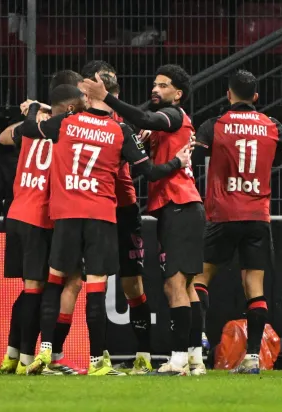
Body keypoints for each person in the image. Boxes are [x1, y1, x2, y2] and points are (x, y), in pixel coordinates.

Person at [20, 74, 192, 376]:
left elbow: (28, 129)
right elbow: (150, 173)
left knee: (57, 280)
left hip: (65, 214)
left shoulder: (66, 124)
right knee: (96, 288)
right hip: (101, 215)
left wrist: (34, 107)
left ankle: (46, 352)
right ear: (107, 97)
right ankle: (98, 361)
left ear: (86, 98)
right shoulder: (119, 130)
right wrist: (178, 162)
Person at [82, 64, 206, 376]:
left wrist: (107, 99)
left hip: (181, 204)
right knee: (184, 287)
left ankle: (178, 359)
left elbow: (146, 119)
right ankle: (195, 358)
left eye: (163, 86)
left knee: (175, 284)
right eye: (154, 84)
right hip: (175, 206)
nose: (155, 89)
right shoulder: (165, 124)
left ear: (177, 94)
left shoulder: (173, 116)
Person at [192, 70, 282, 374]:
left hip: (221, 215)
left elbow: (190, 161)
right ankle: (253, 358)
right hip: (257, 217)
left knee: (199, 281)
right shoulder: (272, 126)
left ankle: (195, 347)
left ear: (228, 94)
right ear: (256, 97)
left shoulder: (214, 125)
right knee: (254, 288)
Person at [51, 62, 155, 375]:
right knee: (85, 281)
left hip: (122, 209)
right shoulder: (96, 120)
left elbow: (139, 167)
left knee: (131, 284)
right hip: (95, 207)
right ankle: (97, 355)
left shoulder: (122, 123)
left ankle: (143, 356)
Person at [0, 85, 86, 375]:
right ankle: (28, 360)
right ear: (71, 108)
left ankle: (12, 355)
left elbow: (4, 137)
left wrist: (35, 109)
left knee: (28, 291)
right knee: (38, 290)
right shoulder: (65, 133)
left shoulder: (29, 129)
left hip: (16, 212)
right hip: (41, 216)